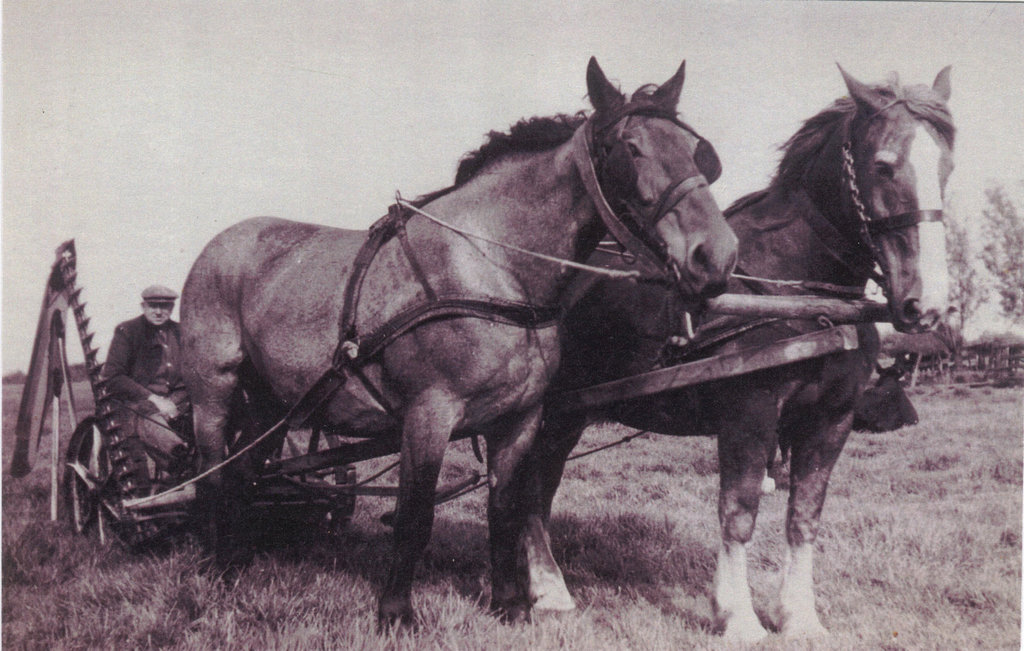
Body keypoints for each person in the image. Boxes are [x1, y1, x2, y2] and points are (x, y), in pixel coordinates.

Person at [100, 284, 190, 469]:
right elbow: (113, 377)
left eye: (164, 307)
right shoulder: (128, 331)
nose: (158, 312)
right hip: (138, 404)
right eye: (153, 306)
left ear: (172, 308)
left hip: (177, 402)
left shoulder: (182, 332)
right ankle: (179, 456)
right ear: (143, 306)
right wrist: (155, 399)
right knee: (149, 419)